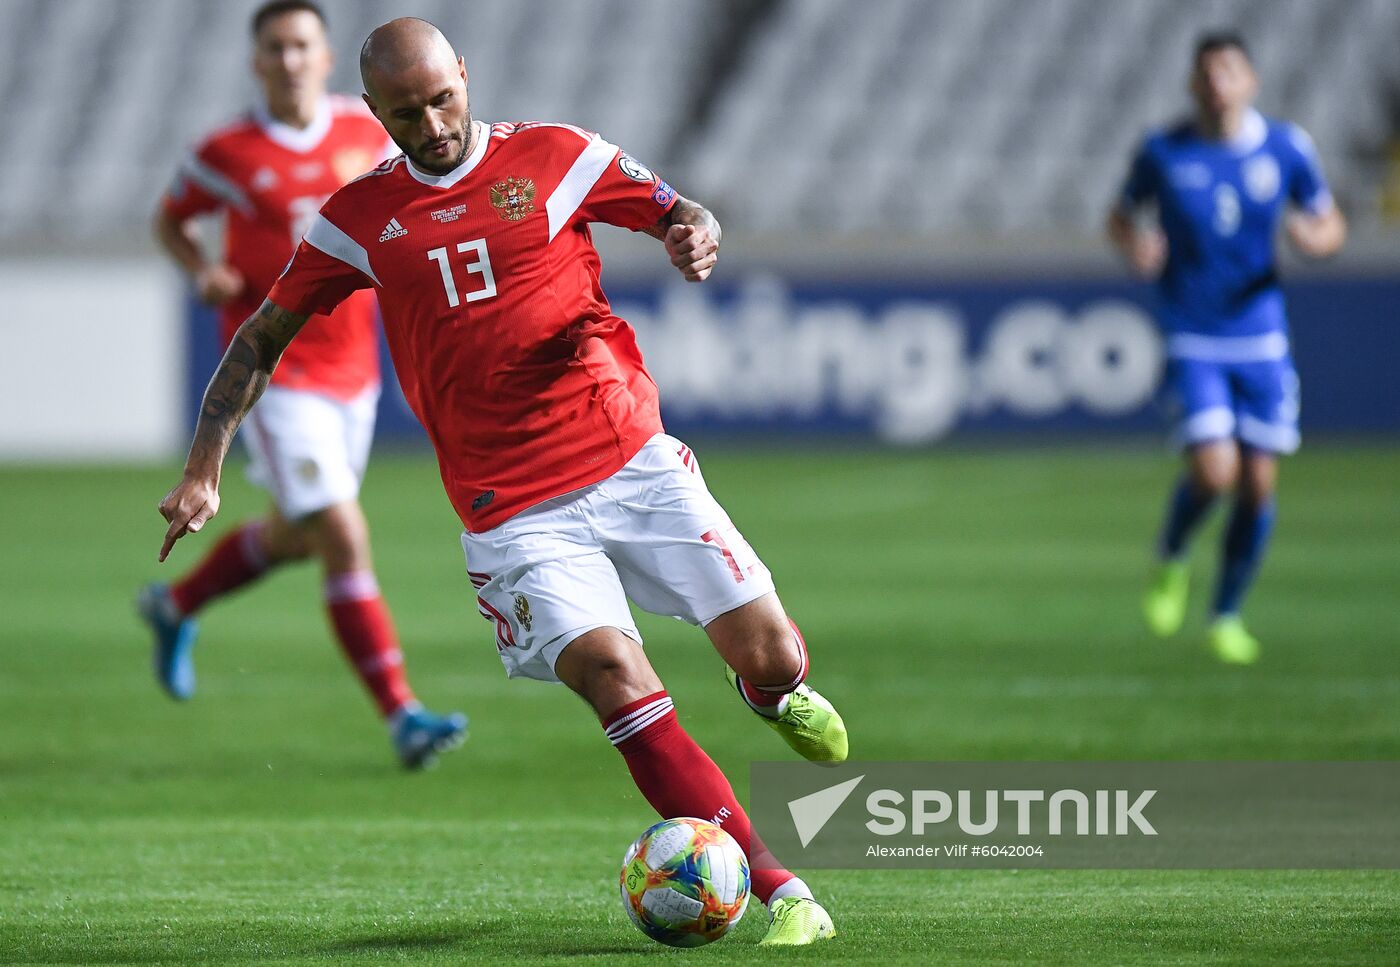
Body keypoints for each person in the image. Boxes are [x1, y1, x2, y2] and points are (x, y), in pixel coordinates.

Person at [156, 16, 846, 947]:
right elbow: (257, 341)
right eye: (406, 113)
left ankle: (772, 693)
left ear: (465, 77)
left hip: (629, 457)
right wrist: (203, 471)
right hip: (509, 507)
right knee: (614, 676)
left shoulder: (557, 157)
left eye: (443, 99)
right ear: (375, 113)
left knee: (770, 653)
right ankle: (780, 887)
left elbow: (682, 209)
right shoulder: (356, 220)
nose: (432, 125)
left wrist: (693, 236)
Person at [139, 0, 465, 769]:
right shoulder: (226, 150)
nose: (290, 59)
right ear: (258, 60)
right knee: (342, 529)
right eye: (276, 47)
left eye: (303, 46)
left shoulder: (371, 125)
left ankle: (175, 603)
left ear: (326, 58)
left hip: (354, 369)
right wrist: (203, 270)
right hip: (273, 374)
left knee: (300, 530)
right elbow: (170, 219)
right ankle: (402, 714)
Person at [1107, 32, 1346, 664]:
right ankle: (1171, 556)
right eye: (1207, 73)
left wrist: (1314, 240)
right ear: (1193, 84)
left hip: (1262, 338)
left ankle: (1227, 614)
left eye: (1229, 72)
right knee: (1216, 471)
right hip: (1192, 335)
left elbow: (1328, 221)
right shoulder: (1163, 151)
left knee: (1259, 485)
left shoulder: (1286, 148)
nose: (1218, 84)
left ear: (1250, 82)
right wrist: (1135, 246)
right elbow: (1120, 215)